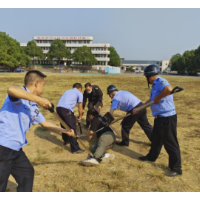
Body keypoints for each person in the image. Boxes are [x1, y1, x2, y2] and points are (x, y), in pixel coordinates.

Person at [0, 70, 75, 192]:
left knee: (27, 174)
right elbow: (11, 89)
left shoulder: (32, 104)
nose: (43, 89)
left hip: (17, 148)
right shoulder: (19, 93)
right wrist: (38, 99)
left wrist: (65, 131)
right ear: (36, 83)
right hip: (4, 146)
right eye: (43, 85)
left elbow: (45, 123)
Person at [133, 64, 182, 177]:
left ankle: (176, 168)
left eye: (146, 76)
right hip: (159, 118)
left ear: (150, 76)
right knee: (155, 140)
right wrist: (138, 108)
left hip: (167, 118)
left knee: (170, 143)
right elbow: (151, 100)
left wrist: (158, 98)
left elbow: (169, 89)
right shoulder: (155, 85)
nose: (146, 78)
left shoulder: (160, 81)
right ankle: (151, 157)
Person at [56, 83, 85, 154]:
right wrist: (80, 117)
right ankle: (75, 149)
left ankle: (67, 140)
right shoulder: (79, 93)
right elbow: (80, 107)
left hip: (58, 108)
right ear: (80, 88)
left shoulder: (67, 91)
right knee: (72, 128)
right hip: (66, 110)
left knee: (64, 124)